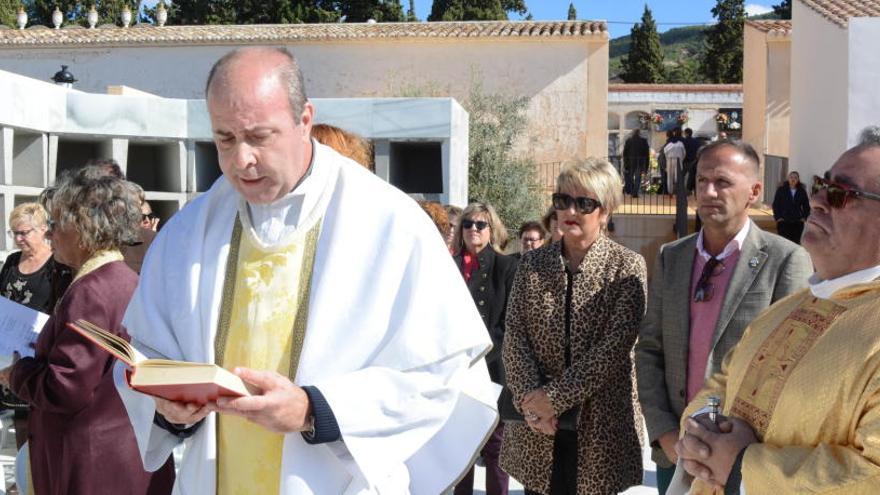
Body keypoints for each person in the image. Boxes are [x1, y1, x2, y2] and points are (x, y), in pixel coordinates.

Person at [114, 47, 498, 494]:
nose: (241, 160)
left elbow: (436, 378)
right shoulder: (188, 233)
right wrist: (168, 411)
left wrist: (314, 409)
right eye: (224, 139)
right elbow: (148, 356)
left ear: (304, 120)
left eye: (259, 136)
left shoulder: (389, 222)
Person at [671, 140, 880, 494]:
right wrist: (699, 434)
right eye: (822, 186)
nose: (817, 201)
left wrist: (742, 467)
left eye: (841, 194)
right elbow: (722, 384)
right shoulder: (786, 310)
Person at [635, 140, 813, 495]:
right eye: (701, 181)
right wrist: (664, 432)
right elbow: (650, 350)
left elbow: (791, 367)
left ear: (755, 191)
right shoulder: (672, 257)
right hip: (676, 452)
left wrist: (740, 448)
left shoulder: (785, 261)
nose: (708, 191)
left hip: (744, 457)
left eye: (722, 182)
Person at [0, 171, 175, 495]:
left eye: (54, 225)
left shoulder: (92, 290)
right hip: (118, 458)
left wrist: (15, 373)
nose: (50, 235)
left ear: (82, 228)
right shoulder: (119, 278)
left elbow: (65, 387)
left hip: (95, 463)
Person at [501, 158, 648, 494]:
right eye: (562, 200)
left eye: (584, 203)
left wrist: (552, 399)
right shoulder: (532, 265)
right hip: (538, 431)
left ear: (606, 210)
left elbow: (613, 350)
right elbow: (515, 337)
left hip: (600, 430)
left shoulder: (627, 267)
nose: (571, 210)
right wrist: (532, 404)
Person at [452, 202, 517, 495]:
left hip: (493, 370)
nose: (473, 230)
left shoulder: (506, 267)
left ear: (492, 230)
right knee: (461, 446)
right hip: (454, 372)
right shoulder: (448, 266)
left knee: (495, 448)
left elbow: (508, 324)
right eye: (468, 224)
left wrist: (477, 358)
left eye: (480, 224)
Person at [0, 203, 72, 449]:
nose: (19, 239)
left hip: (40, 352)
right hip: (10, 353)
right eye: (14, 233)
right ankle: (23, 483)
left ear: (43, 229)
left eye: (24, 232)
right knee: (19, 421)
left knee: (38, 419)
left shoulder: (57, 264)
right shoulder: (11, 262)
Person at [772, 171, 810, 244]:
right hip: (783, 221)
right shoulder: (781, 190)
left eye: (795, 178)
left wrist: (804, 217)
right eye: (791, 177)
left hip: (797, 222)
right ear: (788, 179)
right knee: (783, 243)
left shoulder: (802, 191)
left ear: (798, 180)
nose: (793, 179)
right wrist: (778, 218)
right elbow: (776, 205)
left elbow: (806, 206)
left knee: (795, 243)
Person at [623, 128, 650, 197]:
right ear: (639, 133)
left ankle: (632, 191)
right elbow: (647, 154)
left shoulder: (628, 141)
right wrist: (646, 165)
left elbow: (625, 153)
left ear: (633, 133)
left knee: (630, 178)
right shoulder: (643, 141)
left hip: (630, 162)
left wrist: (625, 163)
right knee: (638, 178)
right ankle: (635, 193)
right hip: (640, 162)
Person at [664, 128, 686, 195]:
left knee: (670, 177)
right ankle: (677, 191)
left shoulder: (668, 145)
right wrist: (681, 159)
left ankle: (670, 192)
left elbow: (665, 153)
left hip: (670, 160)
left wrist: (667, 160)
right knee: (678, 177)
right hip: (678, 160)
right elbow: (684, 153)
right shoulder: (681, 144)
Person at [682, 128, 701, 194]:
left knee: (681, 176)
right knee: (693, 177)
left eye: (684, 133)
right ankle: (694, 191)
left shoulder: (684, 141)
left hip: (686, 161)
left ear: (686, 133)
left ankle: (682, 191)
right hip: (694, 161)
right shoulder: (696, 141)